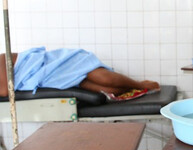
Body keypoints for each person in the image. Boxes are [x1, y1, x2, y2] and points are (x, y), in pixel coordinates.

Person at [0, 47, 160, 97]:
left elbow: (4, 90)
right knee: (112, 91)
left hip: (57, 64)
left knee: (106, 79)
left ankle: (140, 84)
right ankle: (135, 88)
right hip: (50, 79)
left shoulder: (0, 59)